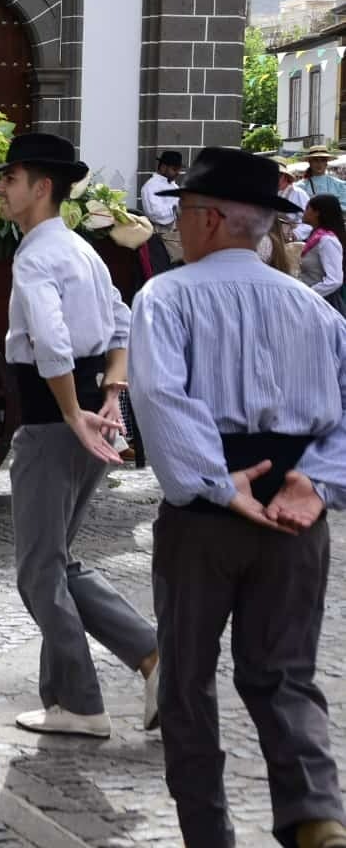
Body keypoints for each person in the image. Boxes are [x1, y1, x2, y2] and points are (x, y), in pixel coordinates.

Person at [128, 146, 346, 848]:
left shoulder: (167, 295)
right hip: (294, 508)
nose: (178, 228)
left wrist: (220, 487)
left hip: (207, 512)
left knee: (187, 681)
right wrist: (316, 483)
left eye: (185, 213)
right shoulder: (315, 311)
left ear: (213, 218)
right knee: (285, 677)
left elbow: (161, 399)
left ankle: (207, 833)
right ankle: (316, 815)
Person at [0, 132, 159, 738]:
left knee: (39, 571)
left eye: (10, 178)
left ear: (41, 188)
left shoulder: (36, 256)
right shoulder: (83, 251)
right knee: (58, 561)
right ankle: (148, 655)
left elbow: (52, 343)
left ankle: (80, 702)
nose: (1, 188)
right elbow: (122, 323)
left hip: (55, 420)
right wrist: (108, 397)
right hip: (89, 413)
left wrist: (70, 413)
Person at [299, 194, 346, 316]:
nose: (304, 212)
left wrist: (306, 293)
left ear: (317, 213)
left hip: (323, 305)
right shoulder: (315, 236)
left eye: (308, 208)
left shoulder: (327, 240)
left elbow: (334, 280)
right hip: (314, 302)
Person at [140, 149, 186, 264]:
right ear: (163, 167)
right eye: (174, 169)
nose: (177, 173)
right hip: (160, 239)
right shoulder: (150, 187)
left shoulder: (173, 185)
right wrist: (176, 207)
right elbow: (155, 214)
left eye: (179, 170)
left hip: (175, 238)